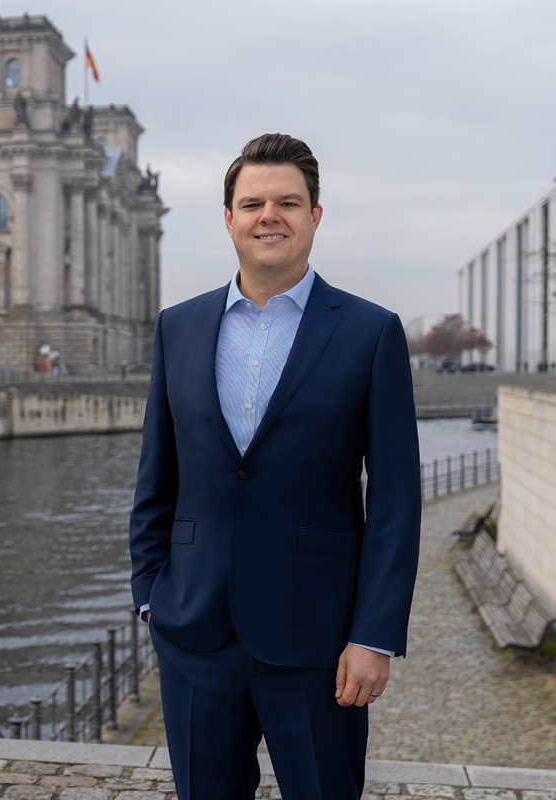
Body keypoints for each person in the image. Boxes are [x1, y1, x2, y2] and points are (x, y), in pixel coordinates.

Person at [129, 133, 420, 800]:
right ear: (228, 218)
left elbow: (396, 500)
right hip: (196, 634)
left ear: (315, 216)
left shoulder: (371, 332)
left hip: (319, 642)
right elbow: (157, 475)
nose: (270, 216)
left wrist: (374, 635)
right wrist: (149, 595)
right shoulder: (179, 327)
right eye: (252, 202)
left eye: (288, 202)